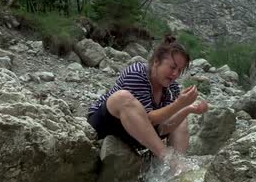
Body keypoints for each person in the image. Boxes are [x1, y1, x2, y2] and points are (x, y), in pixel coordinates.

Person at [87, 34, 209, 168]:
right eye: (172, 67)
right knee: (122, 97)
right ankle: (168, 159)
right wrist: (179, 104)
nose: (175, 74)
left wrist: (188, 108)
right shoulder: (137, 73)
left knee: (181, 118)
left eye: (179, 70)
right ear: (156, 61)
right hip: (107, 124)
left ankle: (175, 168)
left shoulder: (171, 87)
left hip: (136, 135)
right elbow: (147, 119)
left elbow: (162, 127)